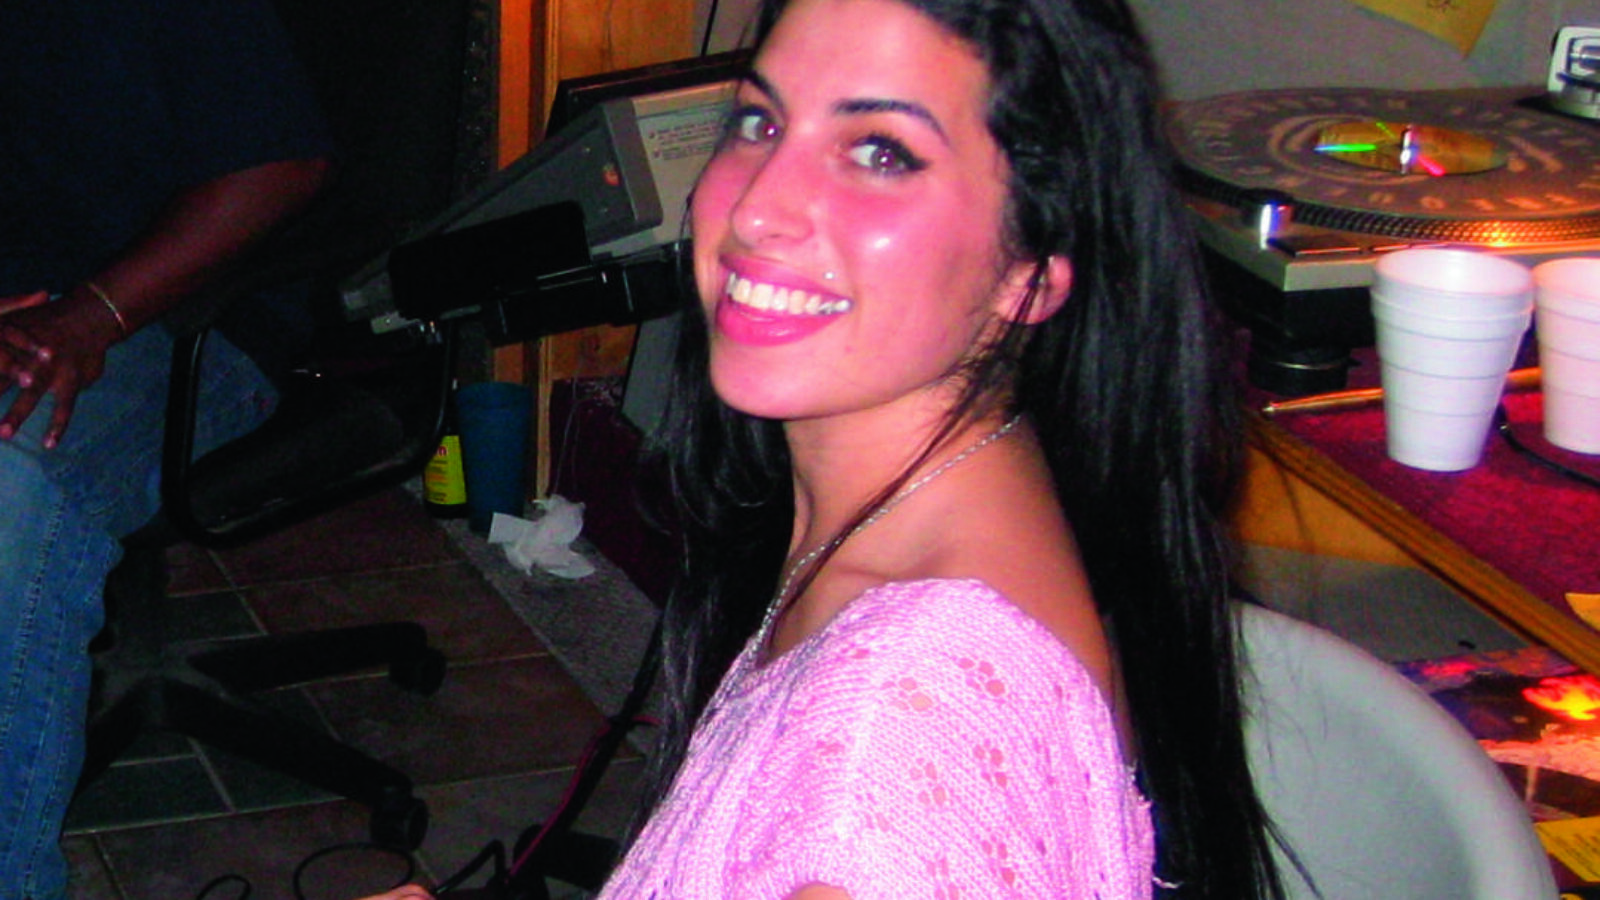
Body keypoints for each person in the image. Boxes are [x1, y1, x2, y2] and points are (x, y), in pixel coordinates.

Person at [372, 0, 1283, 895]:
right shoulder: (955, 511)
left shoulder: (900, 726)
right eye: (760, 122)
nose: (760, 208)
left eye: (881, 152)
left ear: (1029, 273)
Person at [0, 1, 331, 896]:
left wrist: (89, 317)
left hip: (180, 317)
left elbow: (281, 164)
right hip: (26, 306)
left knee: (13, 487)